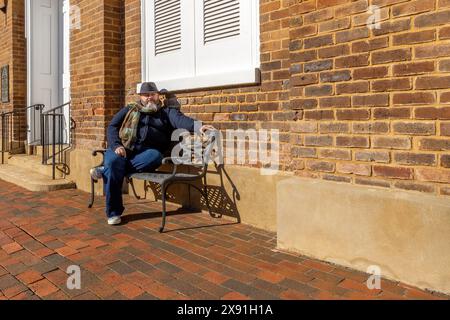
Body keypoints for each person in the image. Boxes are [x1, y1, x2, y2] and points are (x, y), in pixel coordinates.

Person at [90, 82, 215, 225]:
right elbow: (112, 126)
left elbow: (181, 120)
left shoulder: (166, 113)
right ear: (140, 97)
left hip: (146, 154)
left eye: (152, 94)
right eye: (145, 95)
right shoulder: (130, 110)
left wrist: (198, 126)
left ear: (157, 96)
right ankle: (113, 213)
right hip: (123, 149)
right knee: (113, 162)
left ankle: (105, 170)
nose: (149, 98)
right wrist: (116, 145)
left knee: (154, 157)